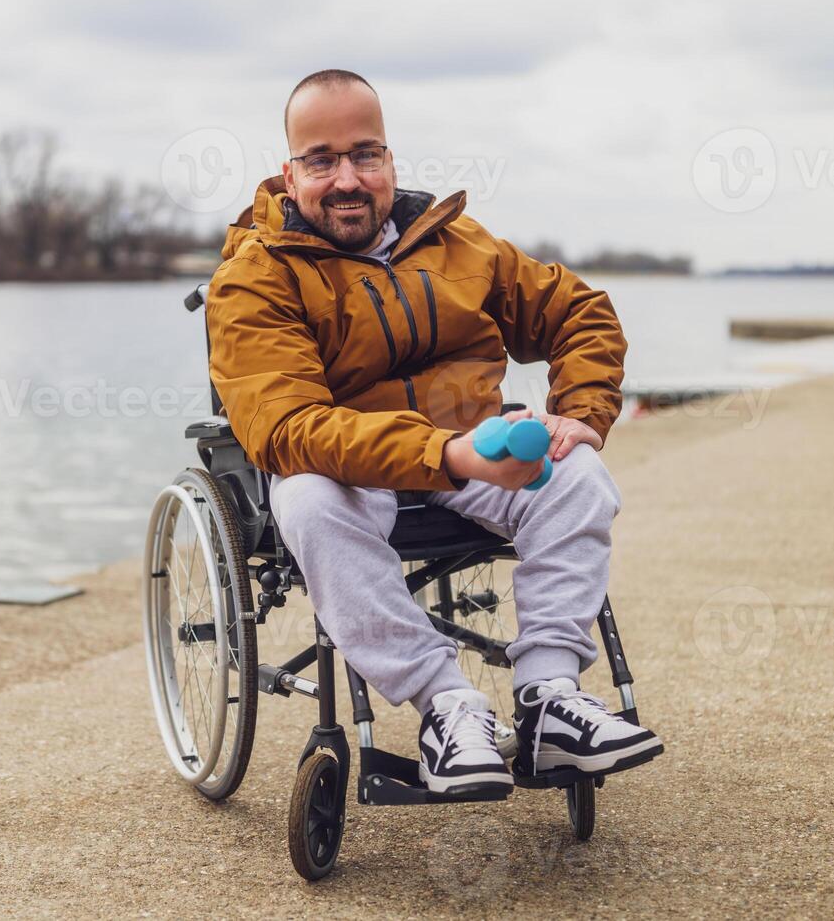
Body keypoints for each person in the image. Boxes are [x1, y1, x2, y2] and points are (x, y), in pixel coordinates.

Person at [206, 69, 662, 794]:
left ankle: (549, 700)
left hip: (472, 448)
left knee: (578, 475)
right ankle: (446, 706)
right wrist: (447, 455)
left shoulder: (458, 244)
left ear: (390, 160)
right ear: (289, 174)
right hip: (351, 471)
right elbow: (289, 426)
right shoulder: (254, 278)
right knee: (308, 503)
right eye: (322, 160)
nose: (347, 178)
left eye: (366, 154)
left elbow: (580, 311)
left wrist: (582, 412)